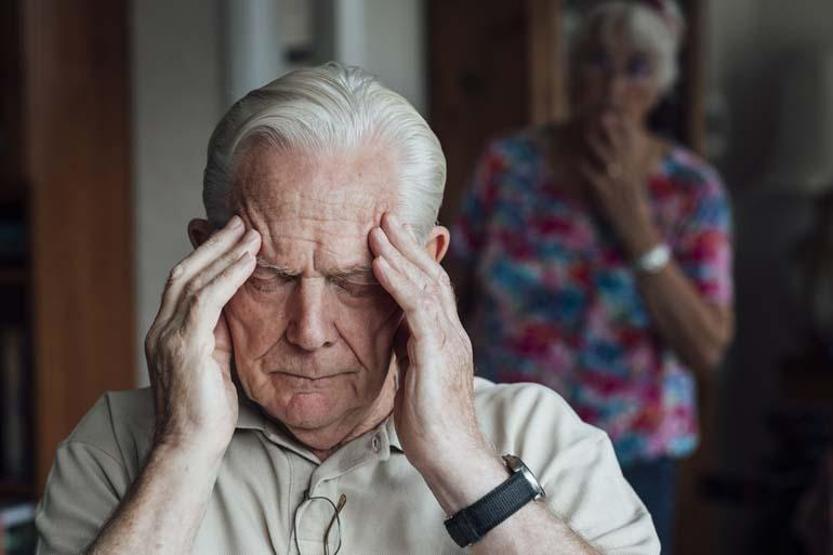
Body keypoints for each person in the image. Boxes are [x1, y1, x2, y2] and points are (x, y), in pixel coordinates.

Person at [34, 63, 658, 554]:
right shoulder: (117, 445)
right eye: (272, 277)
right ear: (205, 262)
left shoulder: (541, 436)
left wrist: (463, 462)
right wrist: (181, 452)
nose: (309, 333)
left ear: (428, 269)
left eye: (355, 283)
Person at [449, 1, 733, 551]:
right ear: (572, 71)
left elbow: (707, 347)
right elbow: (451, 290)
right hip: (505, 438)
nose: (612, 86)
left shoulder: (691, 190)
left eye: (638, 68)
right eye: (598, 62)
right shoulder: (508, 165)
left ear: (663, 86)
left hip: (634, 451)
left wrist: (636, 227)